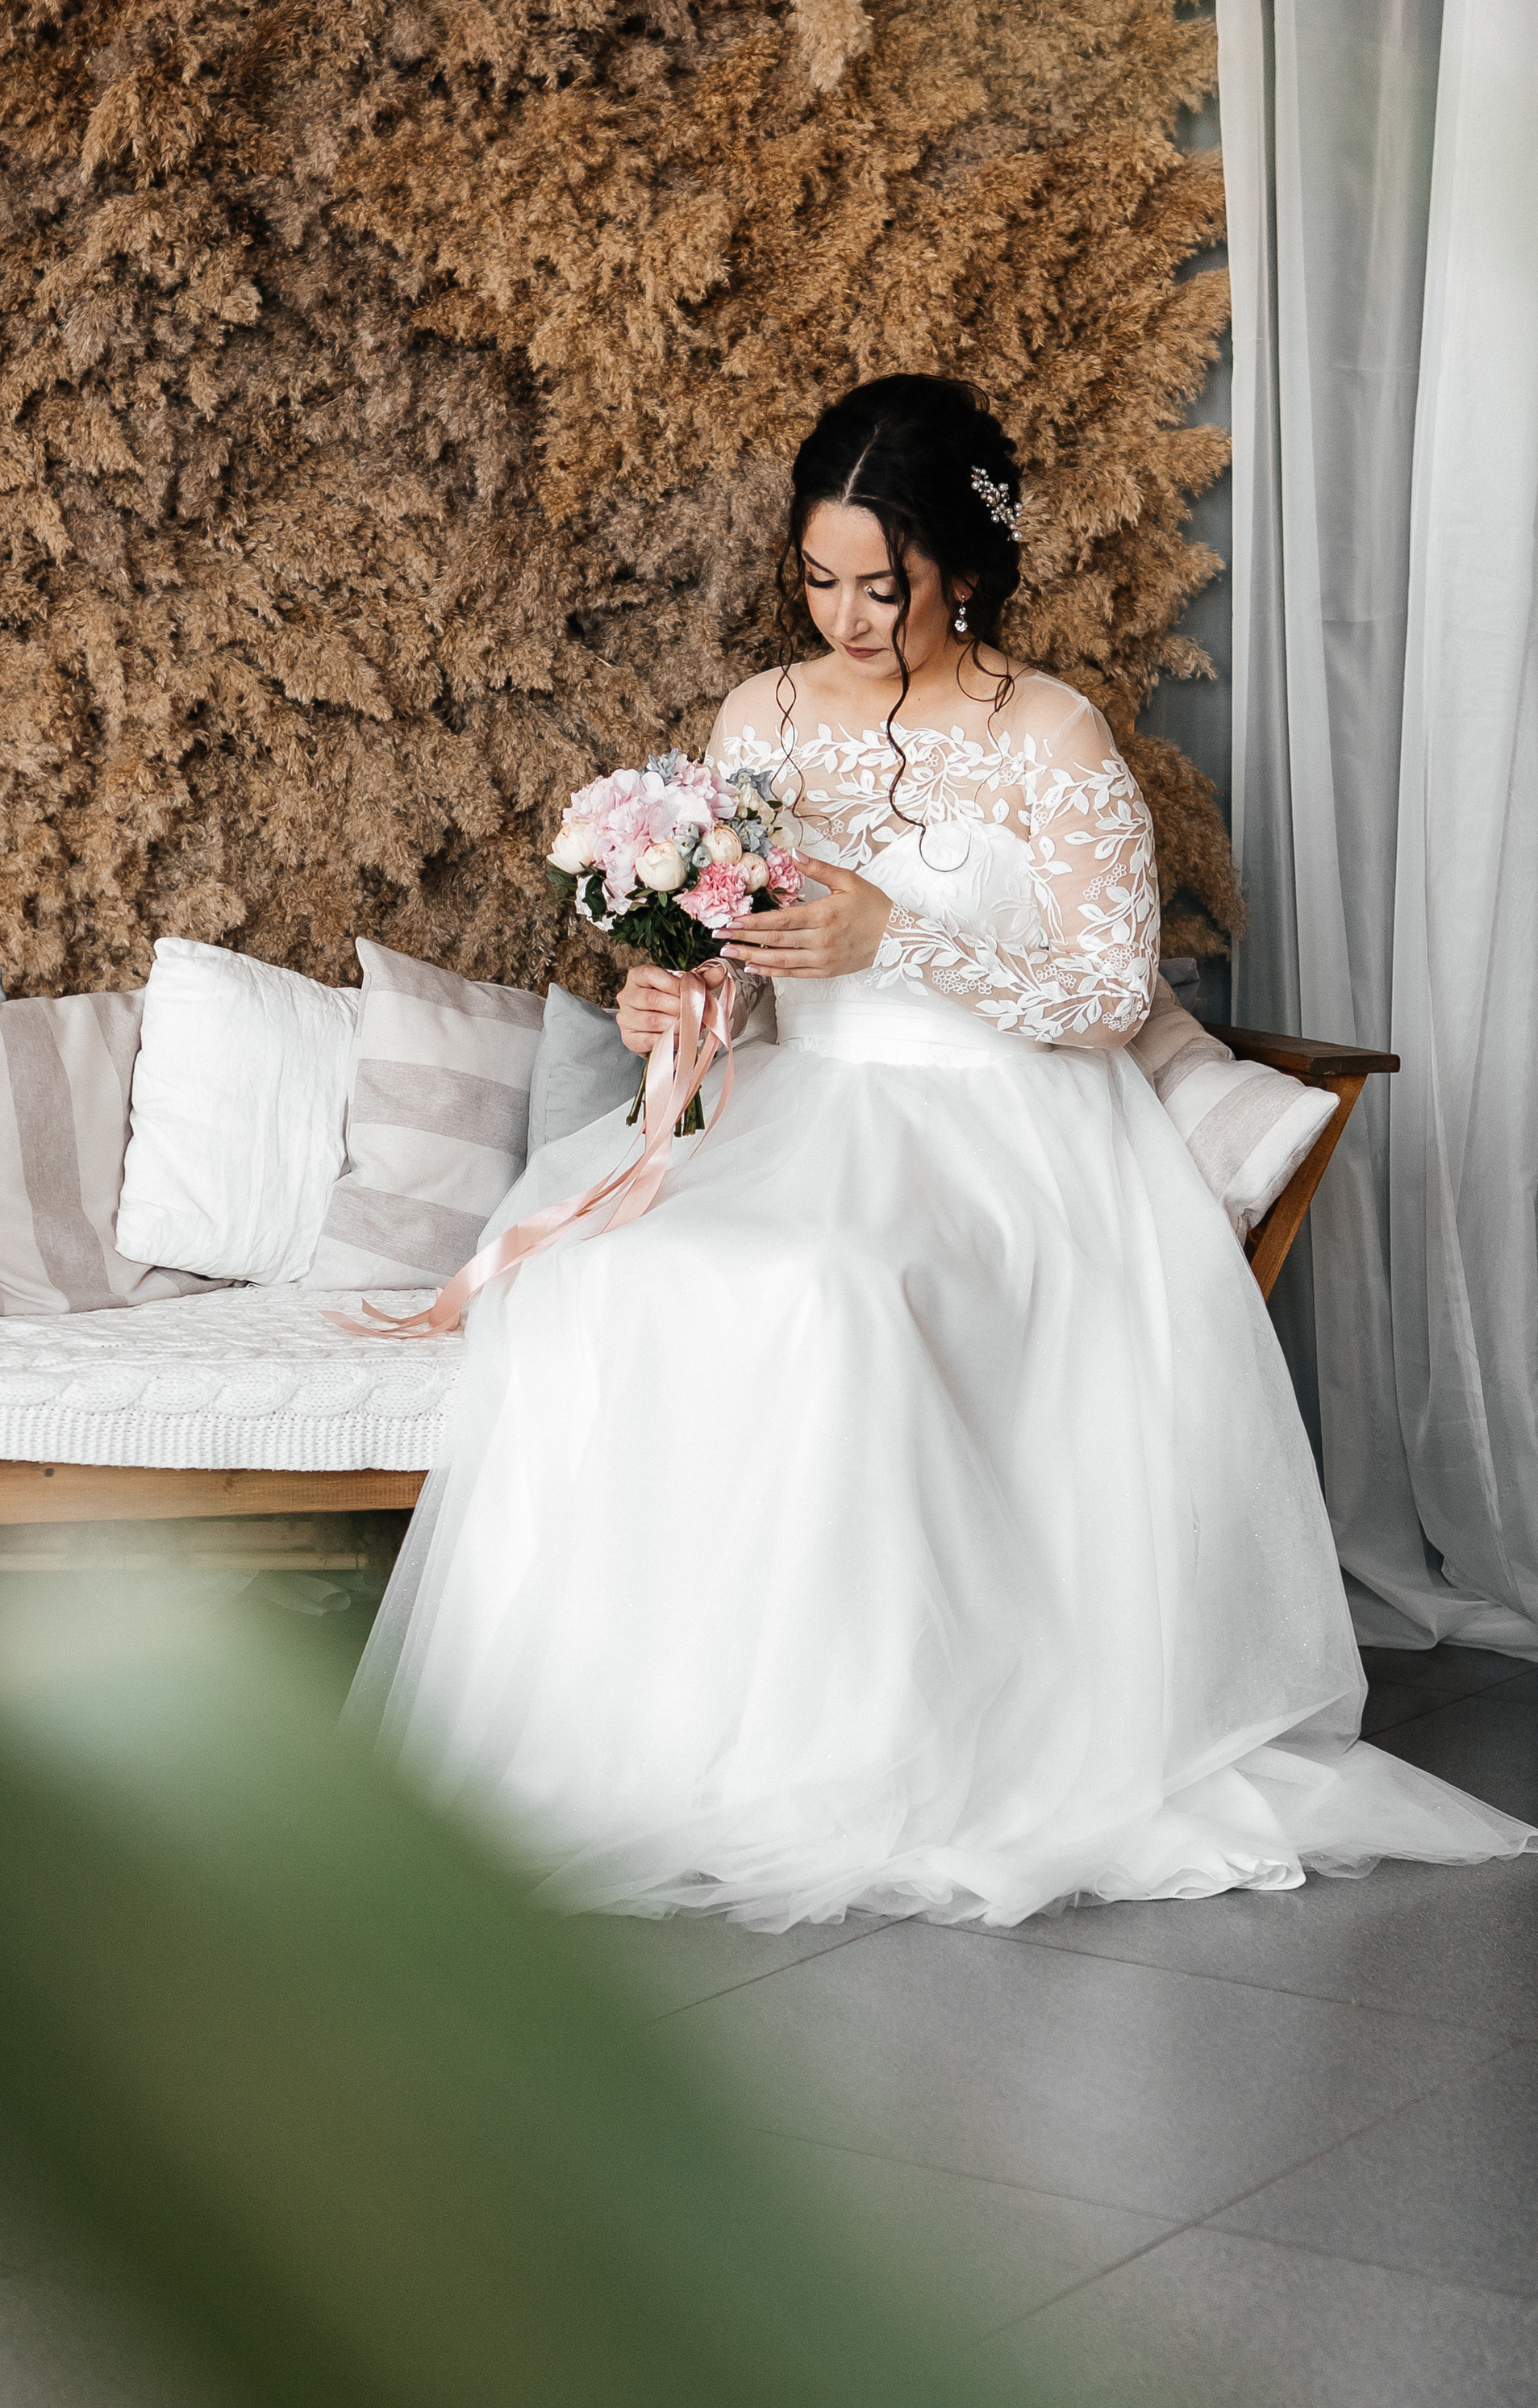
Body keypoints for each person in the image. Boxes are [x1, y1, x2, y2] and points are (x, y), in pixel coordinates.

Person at [346, 375, 1532, 1928]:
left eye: (882, 585)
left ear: (964, 567)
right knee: (600, 1280)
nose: (847, 614)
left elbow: (1113, 996)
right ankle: (649, 1735)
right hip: (800, 1107)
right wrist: (676, 997)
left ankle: (865, 1754)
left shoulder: (1050, 733)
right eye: (821, 577)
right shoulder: (756, 721)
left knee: (829, 1290)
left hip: (1007, 1127)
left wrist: (899, 938)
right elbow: (748, 971)